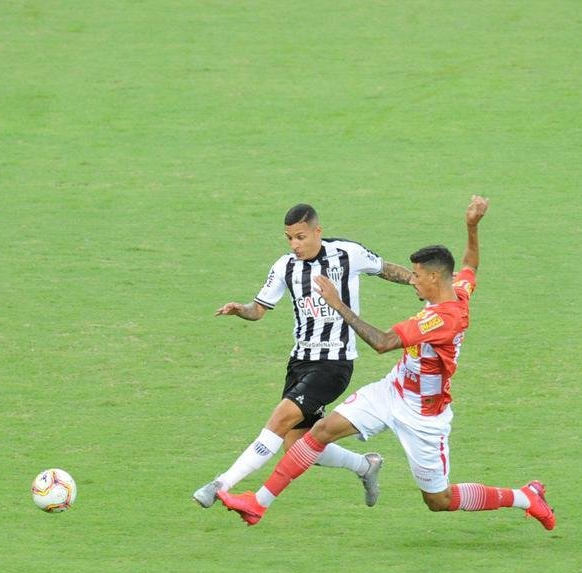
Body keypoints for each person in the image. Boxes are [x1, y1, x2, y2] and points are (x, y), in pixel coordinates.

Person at [216, 196, 556, 531]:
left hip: (423, 414)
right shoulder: (458, 289)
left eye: (418, 276)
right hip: (391, 390)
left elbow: (382, 343)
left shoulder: (441, 320)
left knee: (438, 500)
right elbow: (470, 266)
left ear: (435, 280)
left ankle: (524, 497)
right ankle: (257, 503)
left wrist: (338, 303)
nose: (413, 279)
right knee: (319, 432)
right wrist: (471, 226)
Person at [193, 203, 418, 509]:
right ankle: (365, 466)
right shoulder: (284, 267)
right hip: (300, 362)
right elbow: (259, 309)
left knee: (280, 419)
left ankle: (221, 484)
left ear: (317, 232)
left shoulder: (347, 253)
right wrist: (240, 310)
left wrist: (421, 281)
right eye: (289, 238)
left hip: (334, 364)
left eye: (300, 237)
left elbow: (385, 268)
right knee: (296, 445)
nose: (294, 245)